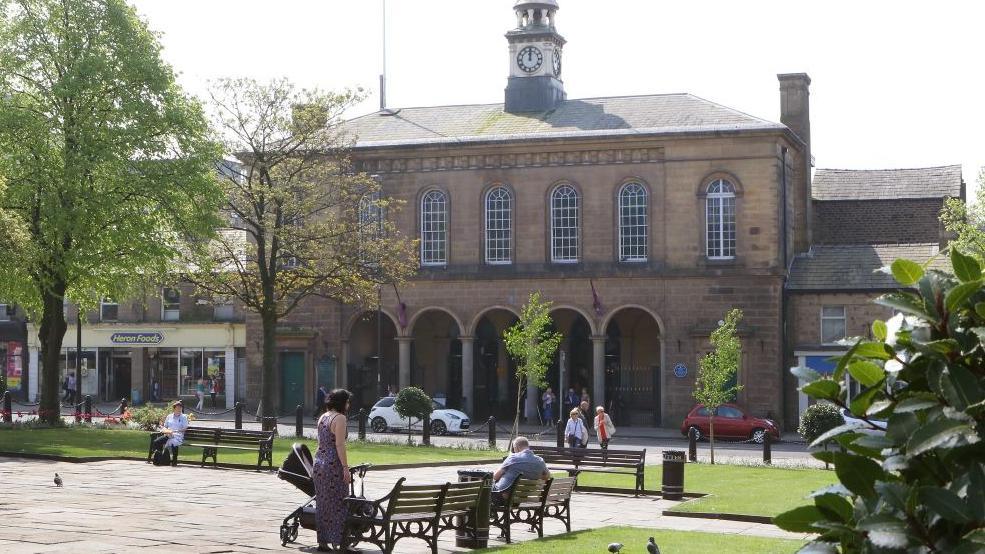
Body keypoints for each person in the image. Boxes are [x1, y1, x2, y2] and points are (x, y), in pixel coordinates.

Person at [313, 388, 352, 552]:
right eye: (348, 402)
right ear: (343, 402)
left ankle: (323, 541)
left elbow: (321, 441)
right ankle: (340, 541)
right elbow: (339, 444)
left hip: (319, 463)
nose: (349, 405)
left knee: (322, 503)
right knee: (340, 504)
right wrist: (345, 467)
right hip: (333, 465)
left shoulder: (323, 416)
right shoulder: (340, 418)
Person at [492, 436, 549, 500]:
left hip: (503, 496)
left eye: (514, 449)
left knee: (485, 484)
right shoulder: (540, 460)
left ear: (516, 447)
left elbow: (495, 476)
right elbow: (547, 476)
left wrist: (505, 463)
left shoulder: (513, 458)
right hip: (521, 498)